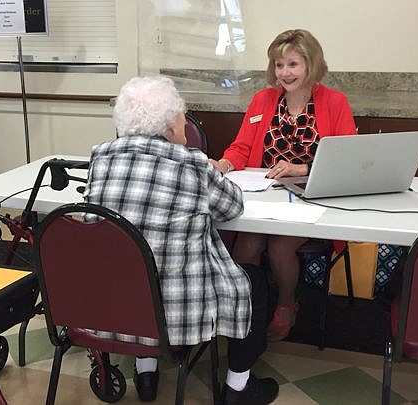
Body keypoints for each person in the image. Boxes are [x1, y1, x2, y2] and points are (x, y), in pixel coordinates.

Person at [84, 76, 278, 404]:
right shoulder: (191, 163)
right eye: (181, 117)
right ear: (172, 126)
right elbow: (232, 206)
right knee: (258, 283)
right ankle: (238, 387)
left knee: (136, 265)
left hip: (114, 305)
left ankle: (146, 373)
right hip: (179, 311)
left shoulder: (100, 158)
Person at [211, 29, 357, 342]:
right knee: (247, 243)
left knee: (279, 247)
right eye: (279, 65)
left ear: (311, 65)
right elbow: (240, 147)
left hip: (312, 198)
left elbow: (347, 158)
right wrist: (223, 164)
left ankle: (286, 303)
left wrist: (301, 168)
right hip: (265, 195)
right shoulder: (262, 100)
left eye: (292, 64)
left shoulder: (334, 102)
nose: (284, 73)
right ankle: (247, 307)